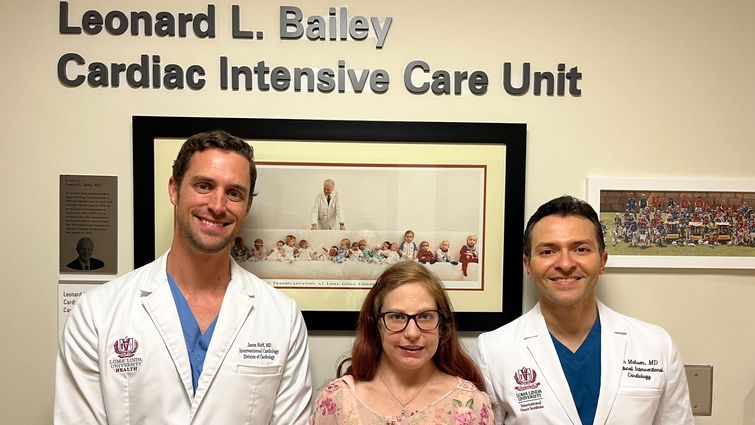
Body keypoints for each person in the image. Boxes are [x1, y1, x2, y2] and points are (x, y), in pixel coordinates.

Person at [55, 130, 313, 424]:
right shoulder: (97, 313)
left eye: (234, 193)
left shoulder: (282, 317)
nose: (217, 206)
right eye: (204, 186)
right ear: (174, 190)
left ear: (247, 207)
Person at [473, 195, 693, 424]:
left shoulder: (656, 345)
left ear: (602, 261)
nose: (566, 264)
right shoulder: (493, 351)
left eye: (580, 249)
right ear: (528, 265)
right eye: (548, 251)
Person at [311, 261, 493, 424]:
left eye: (425, 316)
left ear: (443, 326)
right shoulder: (338, 400)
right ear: (377, 324)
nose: (412, 333)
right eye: (397, 317)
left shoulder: (471, 404)